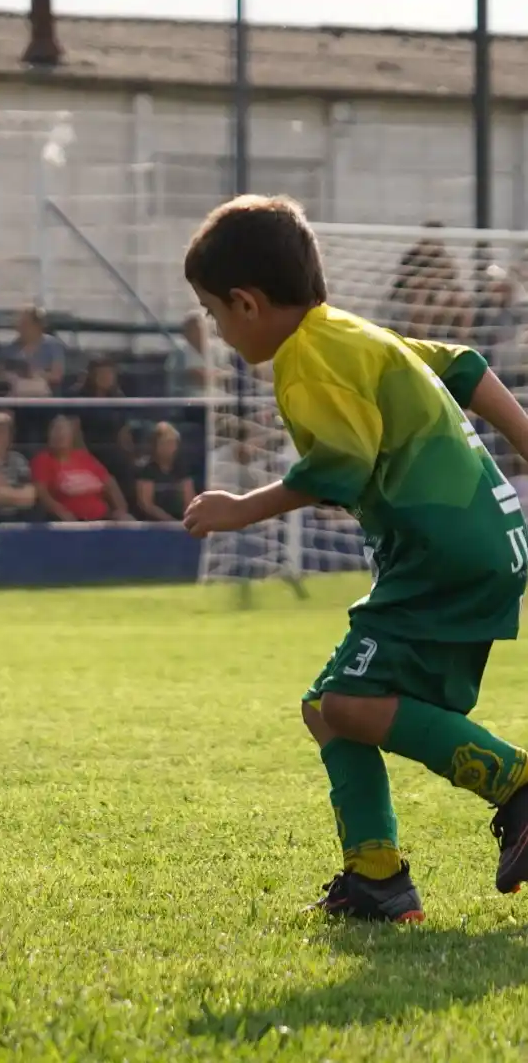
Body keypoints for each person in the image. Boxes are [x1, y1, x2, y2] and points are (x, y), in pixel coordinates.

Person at [182, 194, 528, 922]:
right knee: (327, 707)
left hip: (438, 551)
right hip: (482, 542)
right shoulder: (351, 333)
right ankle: (376, 877)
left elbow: (340, 465)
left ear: (246, 303)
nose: (216, 330)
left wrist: (239, 509)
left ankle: (517, 786)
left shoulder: (305, 360)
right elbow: (463, 365)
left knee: (348, 702)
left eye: (213, 314)